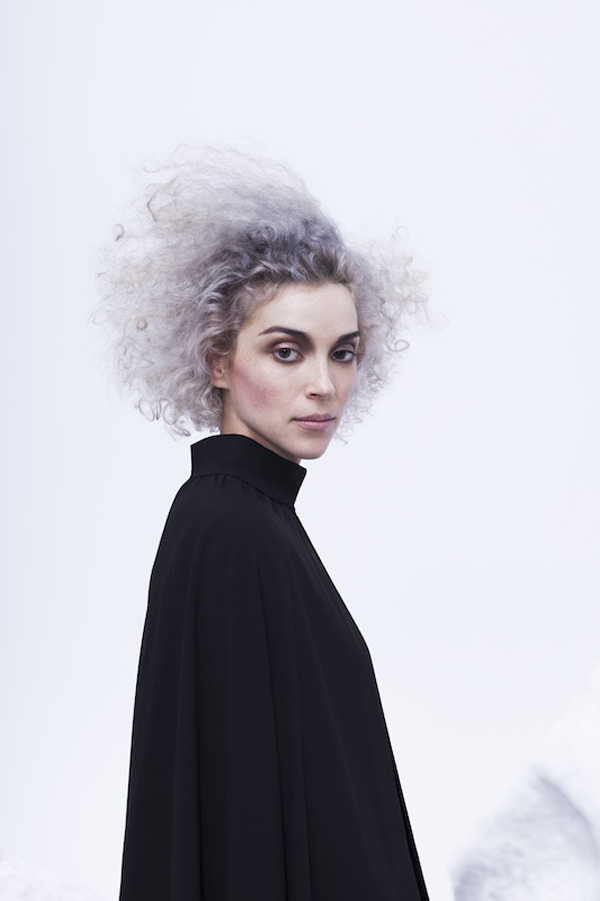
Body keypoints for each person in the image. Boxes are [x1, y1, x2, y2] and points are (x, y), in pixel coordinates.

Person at [97, 146, 430, 901]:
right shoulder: (231, 530)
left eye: (343, 353)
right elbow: (240, 816)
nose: (324, 385)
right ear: (218, 359)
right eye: (287, 351)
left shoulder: (252, 520)